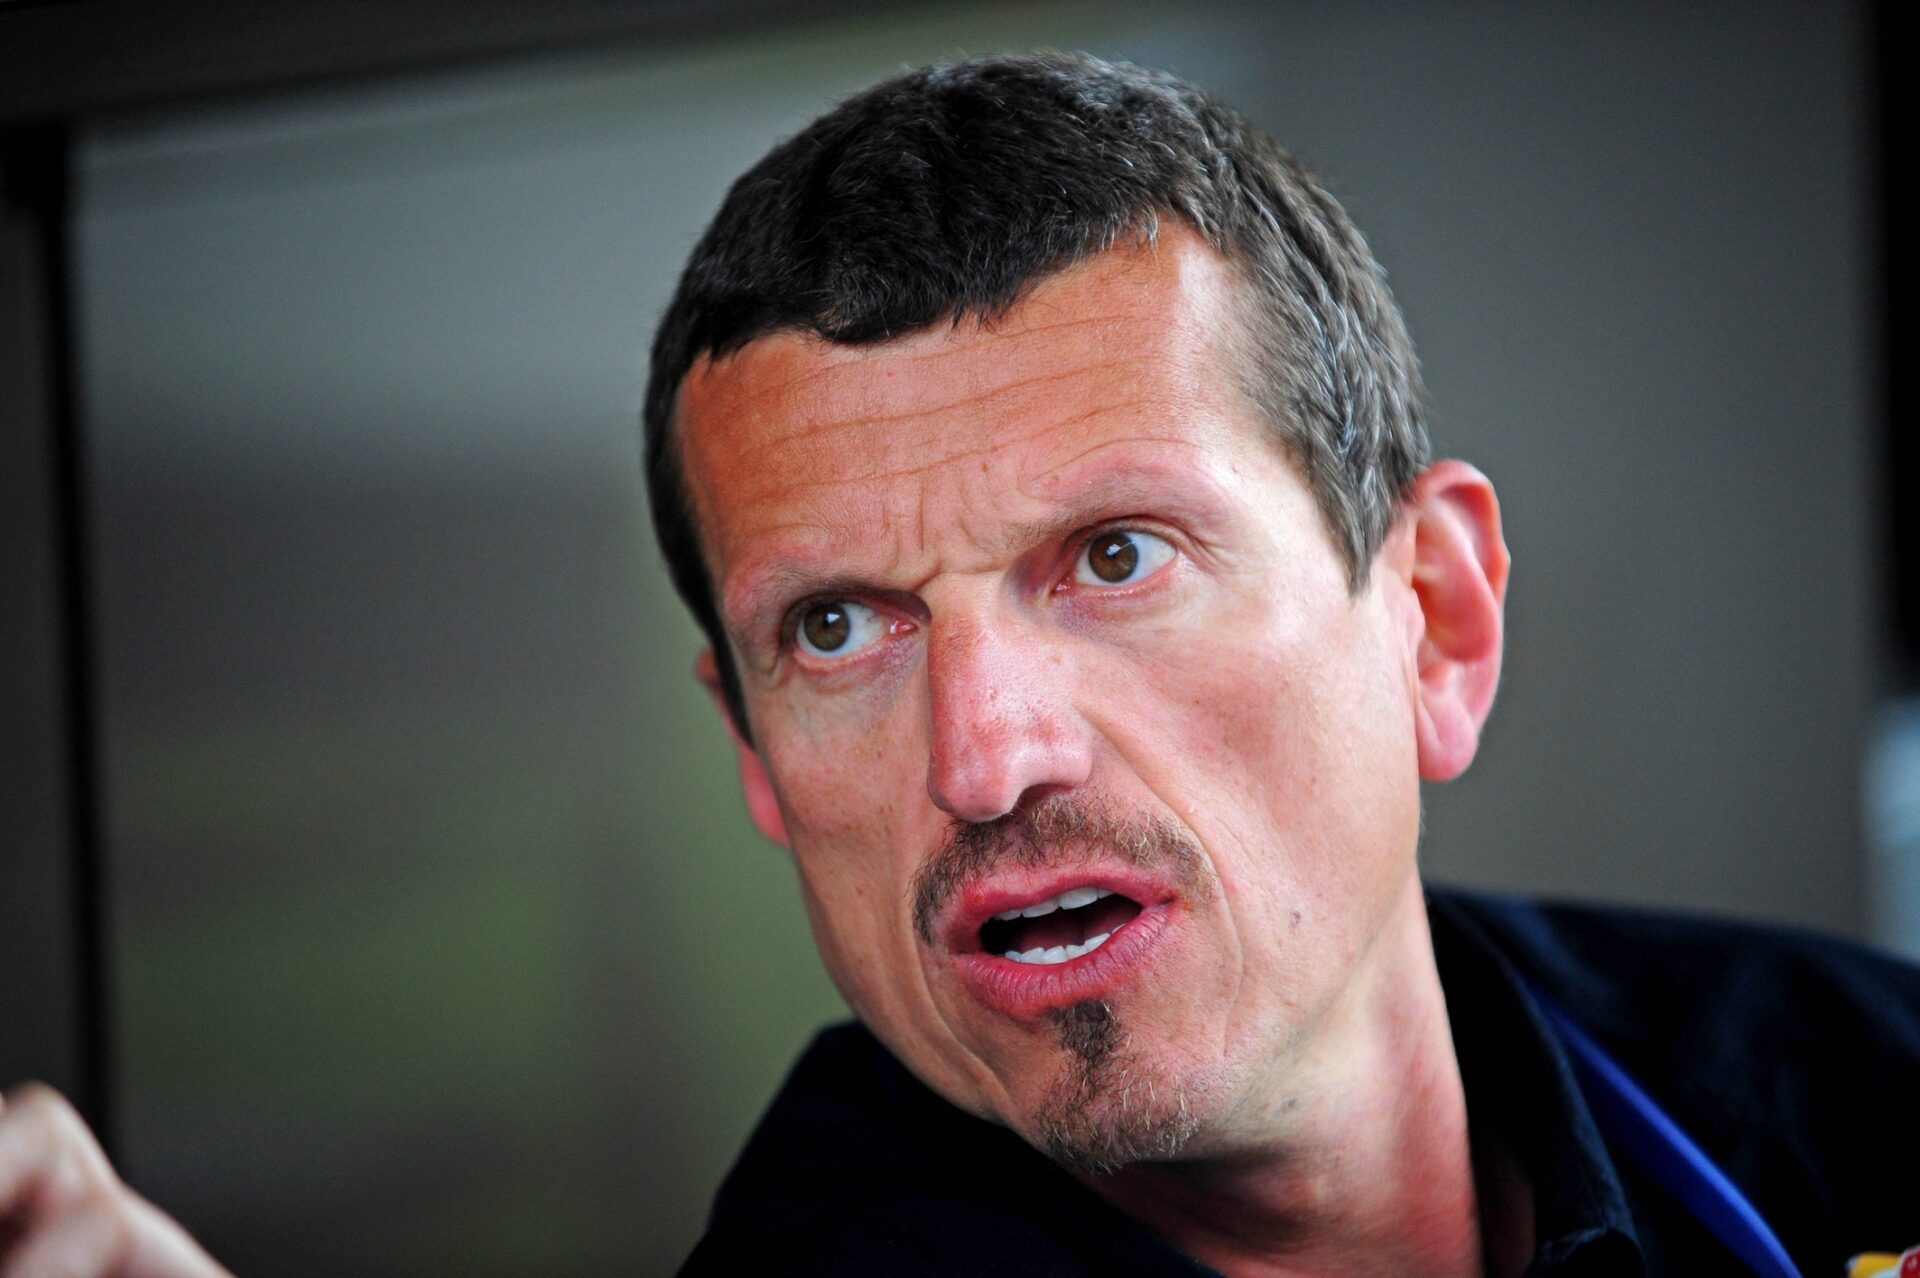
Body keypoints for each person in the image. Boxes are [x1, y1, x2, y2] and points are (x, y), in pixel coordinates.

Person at [4, 50, 1916, 1278]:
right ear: (754, 750)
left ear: (1435, 616)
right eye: (836, 628)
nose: (986, 755)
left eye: (1115, 555)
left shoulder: (1855, 1089)